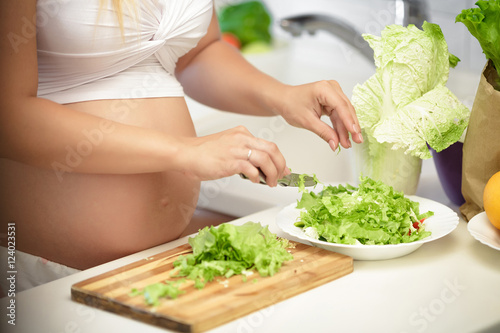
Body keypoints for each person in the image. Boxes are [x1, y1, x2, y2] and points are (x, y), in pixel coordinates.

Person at [0, 0, 363, 294]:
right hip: (51, 276)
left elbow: (196, 53)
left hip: (161, 259)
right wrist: (184, 151)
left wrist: (282, 96)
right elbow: (9, 119)